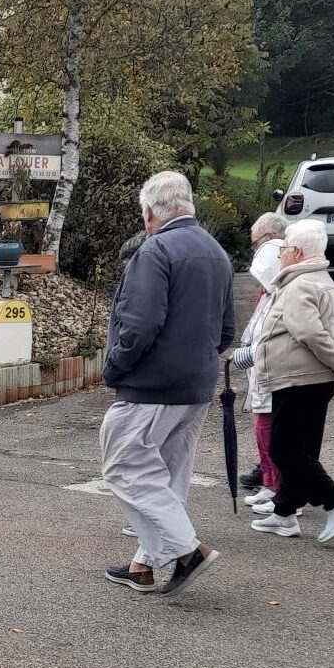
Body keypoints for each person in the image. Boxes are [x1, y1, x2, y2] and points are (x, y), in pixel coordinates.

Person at [100, 170, 235, 596]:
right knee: (168, 473)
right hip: (196, 383)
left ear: (148, 213)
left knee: (124, 465)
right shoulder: (216, 251)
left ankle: (186, 551)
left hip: (152, 383)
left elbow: (139, 324)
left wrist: (114, 366)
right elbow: (226, 330)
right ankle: (144, 564)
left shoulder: (155, 250)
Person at [251, 217, 334, 544]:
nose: (281, 254)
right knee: (300, 446)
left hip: (299, 378)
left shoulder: (300, 284)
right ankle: (285, 512)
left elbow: (310, 333)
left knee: (283, 447)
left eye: (285, 249)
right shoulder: (323, 280)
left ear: (298, 252)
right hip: (311, 377)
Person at [230, 215, 288, 517]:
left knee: (271, 428)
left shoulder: (284, 288)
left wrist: (247, 354)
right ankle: (270, 483)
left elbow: (275, 334)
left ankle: (280, 489)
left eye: (256, 243)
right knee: (262, 425)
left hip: (274, 369)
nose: (256, 251)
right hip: (263, 367)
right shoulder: (270, 289)